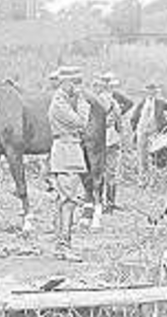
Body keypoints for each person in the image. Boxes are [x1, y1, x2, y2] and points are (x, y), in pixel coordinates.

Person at [48, 65, 90, 260]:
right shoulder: (60, 103)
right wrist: (82, 101)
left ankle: (61, 244)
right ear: (66, 83)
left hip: (68, 149)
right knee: (68, 200)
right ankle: (63, 246)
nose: (77, 87)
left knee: (65, 199)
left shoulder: (62, 101)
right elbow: (81, 122)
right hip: (66, 151)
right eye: (75, 83)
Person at [95, 71, 124, 211]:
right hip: (108, 139)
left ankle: (104, 202)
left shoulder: (102, 99)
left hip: (107, 139)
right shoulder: (107, 100)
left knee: (106, 171)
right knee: (107, 172)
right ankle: (106, 202)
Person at [129, 81, 166, 180]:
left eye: (153, 91)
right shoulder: (142, 103)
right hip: (142, 131)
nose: (151, 93)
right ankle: (142, 177)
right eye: (149, 91)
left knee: (154, 154)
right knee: (142, 155)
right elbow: (134, 117)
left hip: (154, 132)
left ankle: (153, 177)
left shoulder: (159, 102)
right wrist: (135, 130)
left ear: (155, 92)